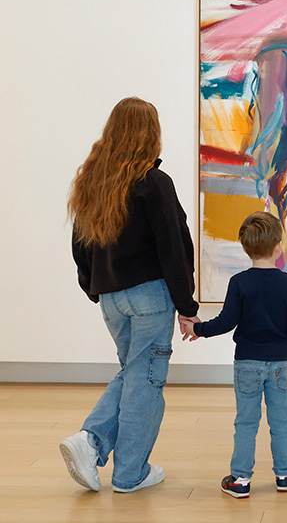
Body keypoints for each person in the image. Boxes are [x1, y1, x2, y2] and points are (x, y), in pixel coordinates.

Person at [61, 97, 198, 493]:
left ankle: (92, 445)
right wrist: (186, 306)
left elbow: (80, 245)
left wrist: (94, 286)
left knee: (134, 373)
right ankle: (123, 469)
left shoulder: (93, 181)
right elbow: (173, 248)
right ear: (151, 133)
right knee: (146, 380)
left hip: (111, 298)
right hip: (150, 296)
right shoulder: (154, 183)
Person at [180, 211, 287, 499]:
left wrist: (198, 329)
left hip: (247, 364)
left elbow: (226, 322)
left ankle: (240, 479)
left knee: (246, 423)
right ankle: (285, 475)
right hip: (279, 365)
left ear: (246, 247)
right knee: (280, 422)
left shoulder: (239, 283)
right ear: (278, 246)